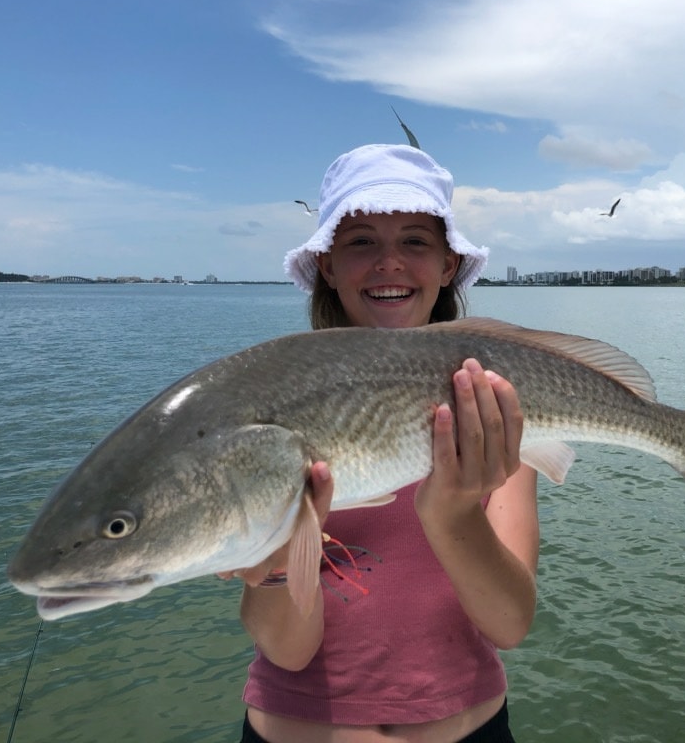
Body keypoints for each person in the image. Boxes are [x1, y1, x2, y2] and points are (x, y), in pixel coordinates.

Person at [224, 144, 540, 742]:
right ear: (327, 264)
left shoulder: (493, 413)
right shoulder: (276, 413)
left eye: (416, 241)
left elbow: (510, 623)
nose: (389, 262)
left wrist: (448, 512)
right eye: (361, 241)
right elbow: (288, 653)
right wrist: (269, 569)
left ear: (448, 264)